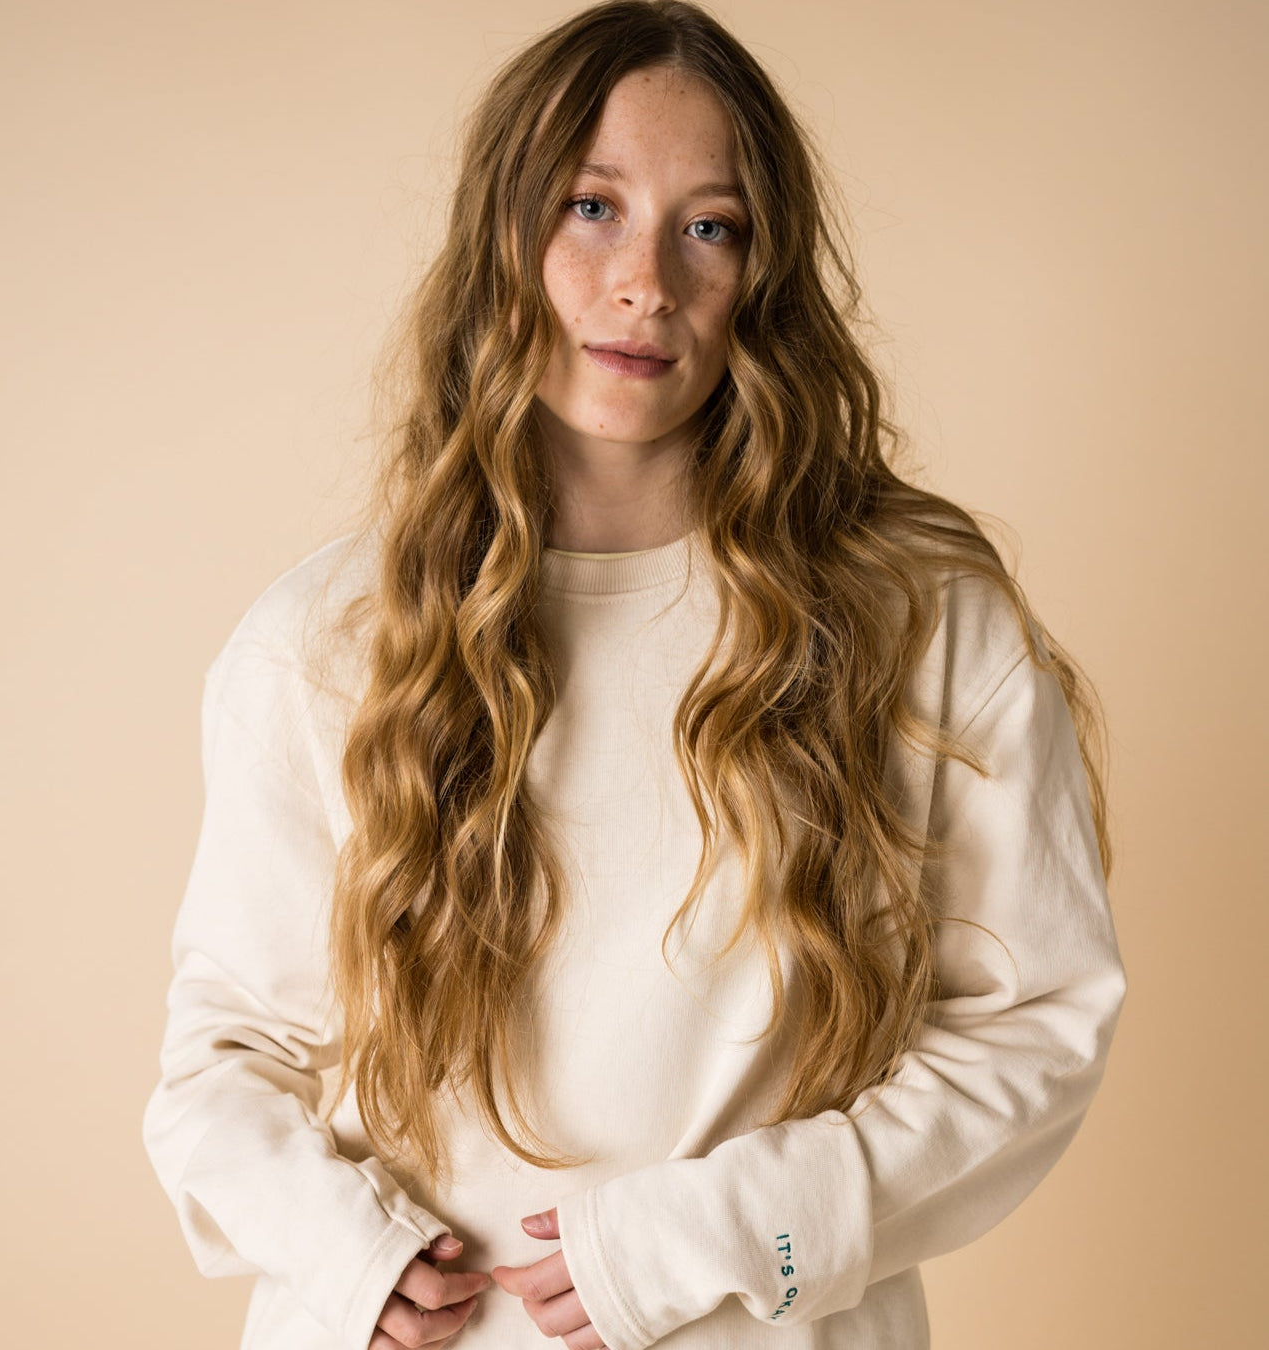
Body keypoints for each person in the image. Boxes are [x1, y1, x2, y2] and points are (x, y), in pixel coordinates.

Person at [141, 3, 1127, 1348]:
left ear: (759, 274)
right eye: (588, 206)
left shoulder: (920, 620)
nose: (645, 280)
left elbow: (1035, 1026)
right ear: (502, 235)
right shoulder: (324, 640)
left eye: (706, 226)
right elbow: (220, 1060)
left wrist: (702, 1235)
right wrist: (345, 1251)